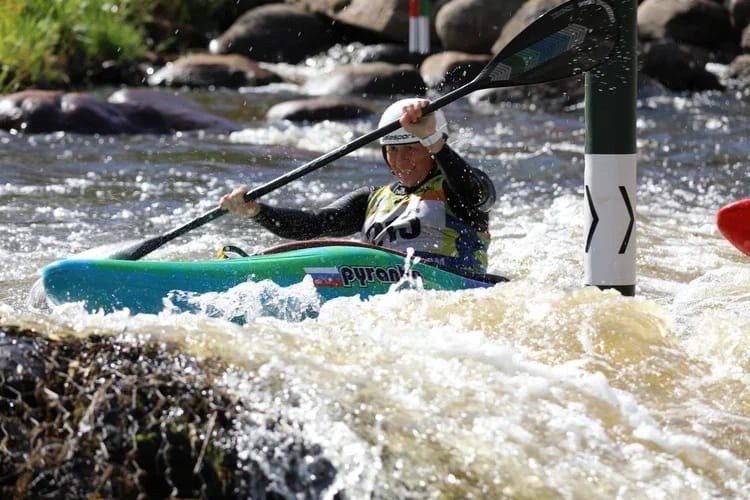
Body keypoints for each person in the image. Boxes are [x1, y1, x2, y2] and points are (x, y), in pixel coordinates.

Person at [219, 98, 496, 274]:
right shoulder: (372, 199)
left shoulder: (460, 189)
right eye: (392, 150)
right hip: (378, 281)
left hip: (452, 283)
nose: (400, 161)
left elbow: (476, 195)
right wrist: (258, 212)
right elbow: (314, 225)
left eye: (411, 149)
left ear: (433, 148)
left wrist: (434, 140)